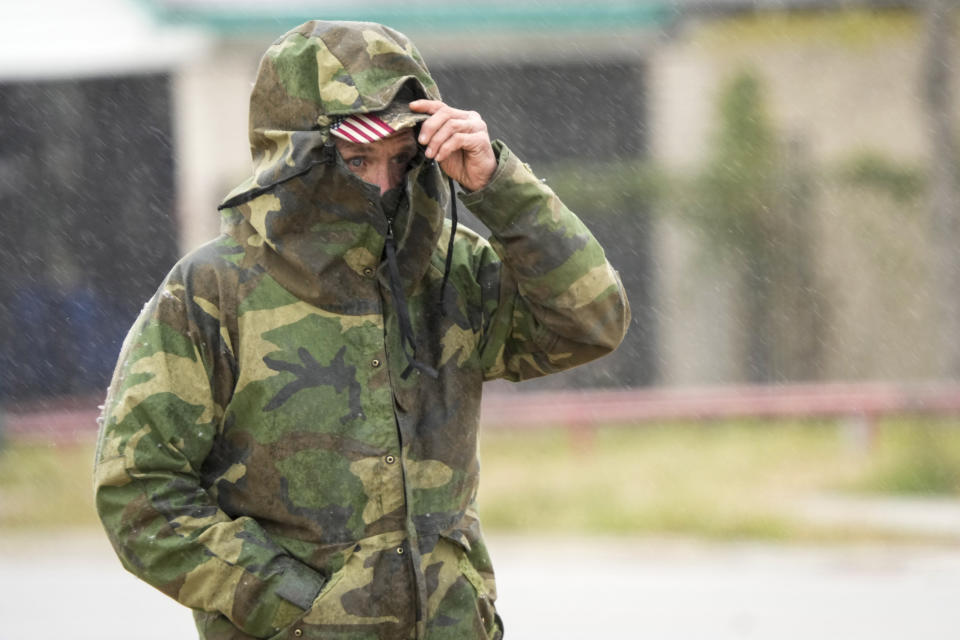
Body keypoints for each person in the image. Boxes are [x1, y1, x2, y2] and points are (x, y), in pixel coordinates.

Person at [93, 19, 629, 640]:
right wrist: (291, 606)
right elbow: (138, 492)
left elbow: (593, 322)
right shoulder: (212, 291)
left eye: (403, 160)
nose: (383, 184)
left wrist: (499, 186)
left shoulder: (450, 268)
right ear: (295, 160)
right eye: (356, 160)